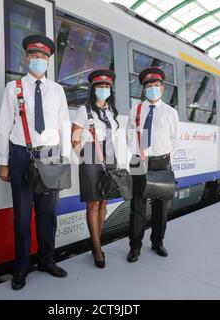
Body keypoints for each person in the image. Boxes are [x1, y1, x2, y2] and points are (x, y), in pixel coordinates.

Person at [0, 35, 72, 290]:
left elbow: (64, 125)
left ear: (49, 61)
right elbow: (4, 126)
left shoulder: (57, 90)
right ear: (26, 58)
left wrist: (66, 159)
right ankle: (21, 267)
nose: (38, 60)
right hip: (20, 156)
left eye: (43, 57)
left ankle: (47, 261)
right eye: (34, 56)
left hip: (50, 156)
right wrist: (3, 162)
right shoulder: (13, 88)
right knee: (22, 216)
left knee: (48, 214)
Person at [126, 67, 180, 263]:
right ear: (143, 90)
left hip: (161, 161)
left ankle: (157, 241)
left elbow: (175, 139)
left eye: (156, 85)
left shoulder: (170, 112)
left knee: (161, 205)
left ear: (162, 88)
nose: (152, 89)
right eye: (148, 86)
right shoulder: (136, 109)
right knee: (137, 205)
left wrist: (161, 154)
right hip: (139, 160)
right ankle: (135, 246)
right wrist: (141, 153)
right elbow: (129, 134)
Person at [71, 69, 119, 268]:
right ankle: (97, 249)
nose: (103, 89)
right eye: (100, 87)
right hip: (90, 157)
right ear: (93, 89)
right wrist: (85, 157)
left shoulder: (112, 112)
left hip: (110, 157)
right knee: (92, 204)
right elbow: (74, 138)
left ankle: (95, 242)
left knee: (103, 203)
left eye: (106, 87)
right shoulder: (84, 110)